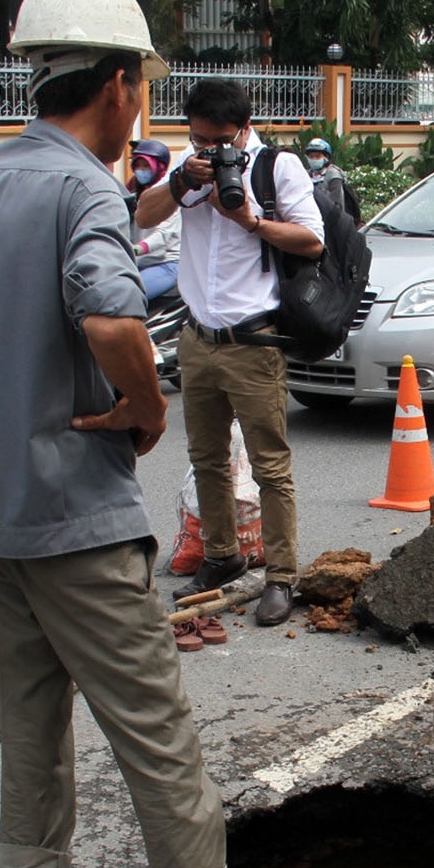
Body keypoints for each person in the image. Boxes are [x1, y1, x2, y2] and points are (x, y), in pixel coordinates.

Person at [0, 0, 346, 868]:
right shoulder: (82, 186)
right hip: (73, 509)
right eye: (142, 91)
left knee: (30, 728)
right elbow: (113, 318)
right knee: (154, 731)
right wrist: (140, 405)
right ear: (118, 84)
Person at [134, 76, 325, 628]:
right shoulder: (186, 168)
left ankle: (282, 576)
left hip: (254, 342)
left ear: (244, 129)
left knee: (269, 466)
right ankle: (221, 556)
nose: (208, 150)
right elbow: (143, 216)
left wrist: (252, 222)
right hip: (197, 339)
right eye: (197, 140)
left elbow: (313, 240)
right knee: (207, 459)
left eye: (218, 141)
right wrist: (179, 179)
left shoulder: (276, 167)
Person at [126, 138, 182, 300]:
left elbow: (164, 235)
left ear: (159, 167)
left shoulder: (169, 194)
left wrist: (137, 248)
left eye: (146, 166)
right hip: (140, 262)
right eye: (137, 166)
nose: (141, 171)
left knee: (128, 297)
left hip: (166, 263)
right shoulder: (133, 194)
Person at [304, 136, 360, 223]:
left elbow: (336, 205)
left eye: (318, 156)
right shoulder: (306, 175)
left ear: (326, 157)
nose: (314, 159)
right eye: (311, 156)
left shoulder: (333, 175)